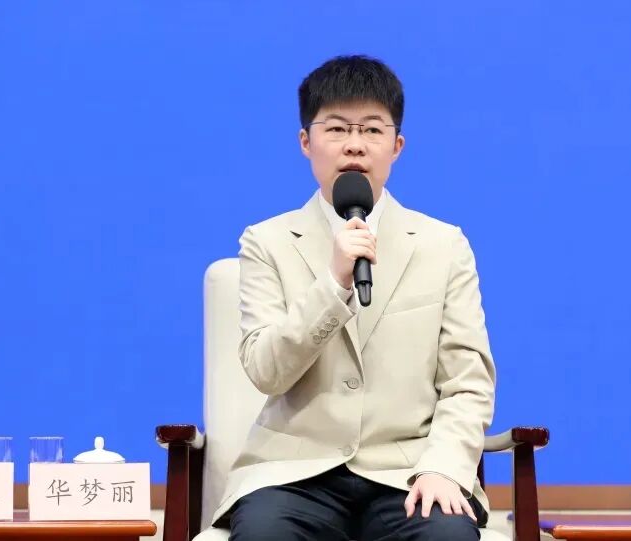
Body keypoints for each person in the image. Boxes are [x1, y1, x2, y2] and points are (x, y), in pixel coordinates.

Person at [212, 55, 497, 541]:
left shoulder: (444, 245)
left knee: (447, 536)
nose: (355, 145)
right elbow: (266, 370)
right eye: (337, 129)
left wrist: (444, 468)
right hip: (294, 475)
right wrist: (333, 282)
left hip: (407, 472)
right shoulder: (266, 242)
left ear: (397, 146)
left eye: (371, 130)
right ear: (306, 142)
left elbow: (467, 382)